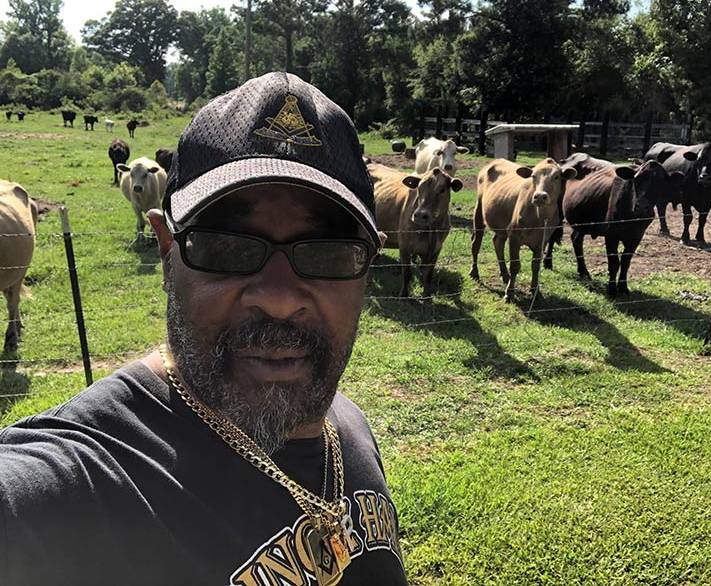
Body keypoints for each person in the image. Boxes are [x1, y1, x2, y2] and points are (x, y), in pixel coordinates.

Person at [0, 72, 407, 585]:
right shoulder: (75, 485)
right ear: (168, 254)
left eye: (327, 252)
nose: (279, 298)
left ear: (368, 265)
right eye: (227, 246)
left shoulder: (347, 425)